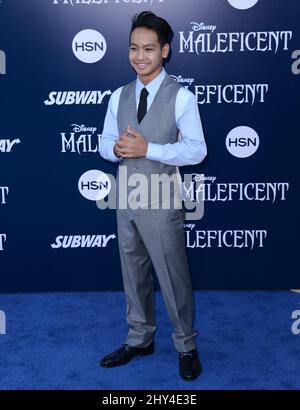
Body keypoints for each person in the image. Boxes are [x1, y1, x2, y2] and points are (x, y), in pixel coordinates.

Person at [99, 11, 207, 381]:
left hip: (162, 197)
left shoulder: (182, 97)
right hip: (126, 196)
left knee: (172, 275)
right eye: (133, 48)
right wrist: (116, 149)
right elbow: (102, 145)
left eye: (148, 48)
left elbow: (197, 151)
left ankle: (186, 345)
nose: (139, 56)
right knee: (133, 273)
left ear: (165, 51)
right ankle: (140, 338)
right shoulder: (119, 96)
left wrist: (150, 148)